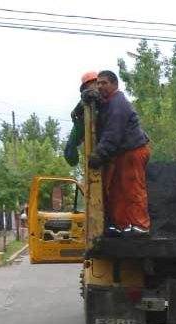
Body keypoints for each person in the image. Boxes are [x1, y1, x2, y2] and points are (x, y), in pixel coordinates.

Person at [89, 69, 151, 234]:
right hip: (121, 153)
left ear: (114, 84)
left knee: (132, 188)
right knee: (116, 189)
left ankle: (141, 226)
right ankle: (120, 225)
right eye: (98, 83)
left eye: (104, 83)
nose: (100, 86)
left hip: (133, 151)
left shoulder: (117, 103)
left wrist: (99, 154)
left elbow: (112, 133)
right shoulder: (108, 103)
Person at [63, 71, 100, 167]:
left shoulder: (104, 98)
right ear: (86, 86)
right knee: (70, 148)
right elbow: (85, 98)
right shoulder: (86, 98)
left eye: (97, 83)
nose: (96, 86)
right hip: (84, 130)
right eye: (93, 83)